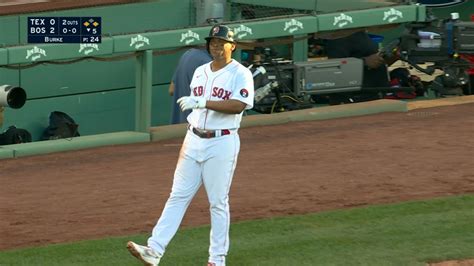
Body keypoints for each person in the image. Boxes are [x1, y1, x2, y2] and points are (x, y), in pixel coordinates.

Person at [127, 24, 254, 266]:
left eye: (221, 42)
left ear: (232, 46)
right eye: (212, 43)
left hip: (222, 141)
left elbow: (239, 105)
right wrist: (198, 104)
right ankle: (154, 250)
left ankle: (217, 260)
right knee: (177, 196)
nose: (215, 46)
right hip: (193, 139)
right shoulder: (200, 71)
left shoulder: (240, 73)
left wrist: (204, 102)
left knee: (218, 202)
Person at [322, 30, 390, 104]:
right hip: (354, 99)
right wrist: (364, 62)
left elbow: (373, 62)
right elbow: (334, 68)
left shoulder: (361, 33)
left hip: (373, 95)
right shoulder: (339, 37)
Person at [169, 47, 212, 124]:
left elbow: (171, 90)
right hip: (195, 125)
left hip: (177, 124)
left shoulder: (187, 54)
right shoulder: (209, 64)